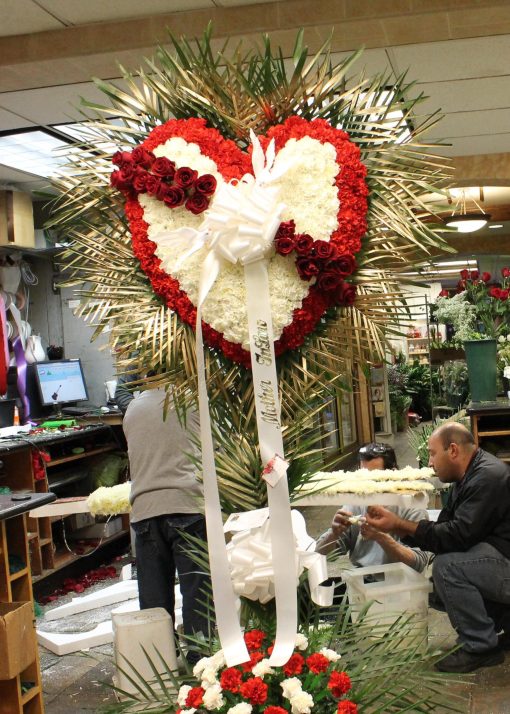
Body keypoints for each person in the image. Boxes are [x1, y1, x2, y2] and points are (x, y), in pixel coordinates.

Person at [365, 423, 510, 674]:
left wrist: (400, 523)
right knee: (439, 585)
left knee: (447, 568)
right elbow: (445, 529)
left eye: (433, 453)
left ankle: (480, 645)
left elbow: (457, 536)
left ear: (452, 450)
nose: (430, 463)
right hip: (499, 558)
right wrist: (398, 528)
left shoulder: (487, 476)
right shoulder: (468, 476)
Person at [123, 386, 211, 662]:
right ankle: (202, 664)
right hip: (187, 505)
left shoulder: (132, 410)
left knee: (154, 602)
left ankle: (160, 665)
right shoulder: (194, 400)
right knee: (197, 596)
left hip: (145, 511)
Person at [316, 442, 429, 572]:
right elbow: (319, 555)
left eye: (375, 478)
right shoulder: (356, 503)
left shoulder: (411, 506)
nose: (368, 486)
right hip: (362, 581)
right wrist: (334, 534)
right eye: (363, 478)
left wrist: (381, 537)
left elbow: (419, 562)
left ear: (392, 474)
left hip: (400, 582)